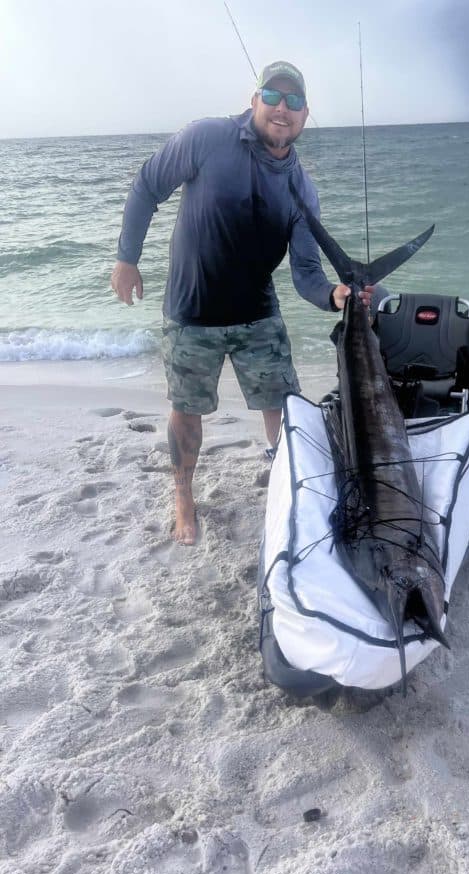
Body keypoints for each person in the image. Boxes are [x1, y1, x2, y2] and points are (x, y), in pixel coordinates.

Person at [111, 61, 370, 544]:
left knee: (283, 404)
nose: (282, 108)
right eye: (273, 95)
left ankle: (285, 483)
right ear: (254, 99)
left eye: (294, 102)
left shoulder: (302, 190)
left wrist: (335, 296)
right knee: (186, 410)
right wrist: (127, 259)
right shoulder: (206, 138)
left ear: (305, 116)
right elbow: (148, 185)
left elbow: (307, 273)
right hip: (192, 312)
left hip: (258, 314)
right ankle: (184, 496)